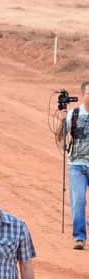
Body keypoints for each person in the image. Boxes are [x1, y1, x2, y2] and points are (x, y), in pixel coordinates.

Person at [61, 81, 89, 250]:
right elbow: (60, 136)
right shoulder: (74, 114)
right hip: (77, 164)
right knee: (78, 200)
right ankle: (79, 237)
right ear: (83, 94)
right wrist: (62, 121)